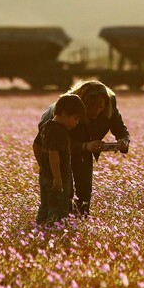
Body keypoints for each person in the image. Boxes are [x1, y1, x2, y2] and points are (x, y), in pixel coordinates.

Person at [36, 80, 130, 216]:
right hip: (59, 150)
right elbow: (54, 144)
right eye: (92, 107)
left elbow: (120, 128)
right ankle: (60, 219)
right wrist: (84, 146)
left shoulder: (109, 104)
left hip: (85, 148)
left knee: (84, 188)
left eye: (100, 107)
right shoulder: (66, 110)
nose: (96, 111)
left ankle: (80, 218)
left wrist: (123, 141)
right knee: (64, 187)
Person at [33, 94, 86, 224]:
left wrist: (42, 166)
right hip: (59, 178)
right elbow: (54, 153)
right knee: (58, 210)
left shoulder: (46, 126)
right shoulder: (60, 132)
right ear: (64, 113)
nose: (76, 123)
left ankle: (40, 228)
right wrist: (57, 177)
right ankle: (53, 233)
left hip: (44, 176)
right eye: (75, 118)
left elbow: (36, 146)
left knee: (45, 206)